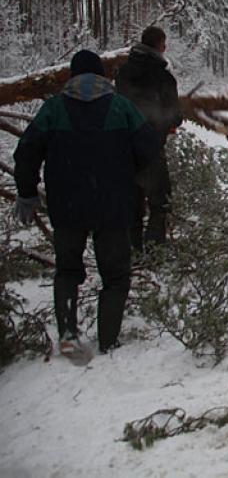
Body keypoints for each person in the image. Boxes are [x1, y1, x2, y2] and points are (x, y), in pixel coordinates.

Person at [14, 50, 159, 358]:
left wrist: (26, 192)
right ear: (104, 77)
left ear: (72, 77)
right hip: (113, 205)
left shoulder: (54, 109)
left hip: (67, 207)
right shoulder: (121, 107)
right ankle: (108, 341)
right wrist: (135, 178)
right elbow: (149, 147)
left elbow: (26, 152)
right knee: (116, 276)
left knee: (67, 271)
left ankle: (68, 336)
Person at [115, 25, 183, 253]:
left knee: (132, 199)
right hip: (151, 149)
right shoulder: (162, 76)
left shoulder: (123, 72)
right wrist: (173, 120)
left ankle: (132, 249)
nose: (166, 47)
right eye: (164, 43)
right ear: (158, 45)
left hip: (124, 147)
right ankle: (155, 250)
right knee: (160, 198)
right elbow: (173, 114)